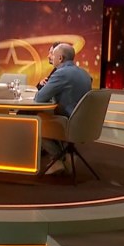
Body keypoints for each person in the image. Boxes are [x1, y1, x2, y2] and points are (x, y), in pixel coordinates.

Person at [34, 42, 93, 174]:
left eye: (53, 55)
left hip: (69, 124)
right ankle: (64, 158)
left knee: (34, 121)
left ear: (60, 58)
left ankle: (58, 159)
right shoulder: (84, 73)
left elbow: (39, 98)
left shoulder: (61, 73)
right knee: (46, 116)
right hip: (85, 124)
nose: (51, 57)